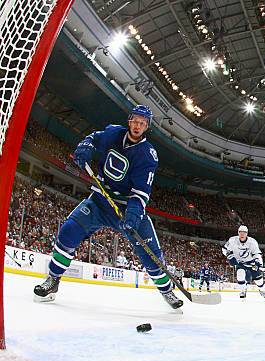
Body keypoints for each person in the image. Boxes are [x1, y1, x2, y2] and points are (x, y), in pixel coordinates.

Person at [33, 105, 183, 310]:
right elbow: (94, 138)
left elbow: (141, 191)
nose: (138, 125)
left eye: (142, 123)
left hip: (127, 209)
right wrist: (85, 146)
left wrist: (133, 215)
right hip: (100, 201)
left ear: (146, 126)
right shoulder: (113, 133)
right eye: (135, 121)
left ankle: (167, 292)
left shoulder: (148, 155)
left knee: (152, 256)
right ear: (129, 120)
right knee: (69, 231)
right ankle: (53, 280)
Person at [222, 225, 265, 299]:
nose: (242, 234)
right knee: (240, 275)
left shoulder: (252, 242)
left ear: (247, 233)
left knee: (258, 280)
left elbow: (257, 254)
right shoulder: (232, 240)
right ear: (238, 233)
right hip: (240, 263)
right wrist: (230, 257)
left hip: (251, 263)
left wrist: (258, 263)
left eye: (244, 232)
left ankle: (262, 290)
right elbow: (224, 249)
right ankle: (243, 290)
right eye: (240, 232)